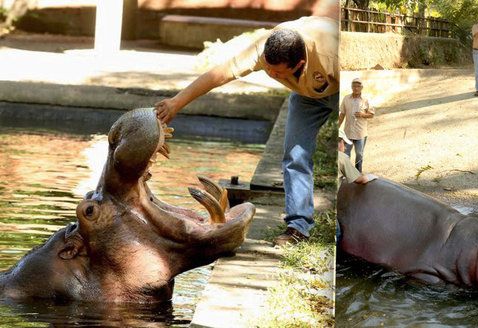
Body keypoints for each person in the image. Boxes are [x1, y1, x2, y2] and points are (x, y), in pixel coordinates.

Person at [154, 16, 339, 245]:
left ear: (299, 64)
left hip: (340, 88)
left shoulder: (332, 55)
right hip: (306, 97)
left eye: (277, 73)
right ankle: (298, 227)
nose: (271, 74)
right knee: (295, 155)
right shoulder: (265, 47)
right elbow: (219, 74)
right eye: (268, 69)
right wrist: (176, 103)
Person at [336, 129, 376, 242]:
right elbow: (360, 180)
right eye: (343, 143)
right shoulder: (342, 158)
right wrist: (371, 176)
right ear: (339, 143)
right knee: (337, 233)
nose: (344, 147)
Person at [338, 78, 375, 172]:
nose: (356, 88)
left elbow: (372, 114)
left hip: (360, 133)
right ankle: (345, 173)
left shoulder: (366, 99)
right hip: (348, 133)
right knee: (345, 154)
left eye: (358, 86)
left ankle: (358, 173)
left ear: (361, 87)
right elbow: (342, 114)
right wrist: (337, 127)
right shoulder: (346, 98)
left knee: (359, 154)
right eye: (354, 86)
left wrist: (362, 115)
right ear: (351, 87)